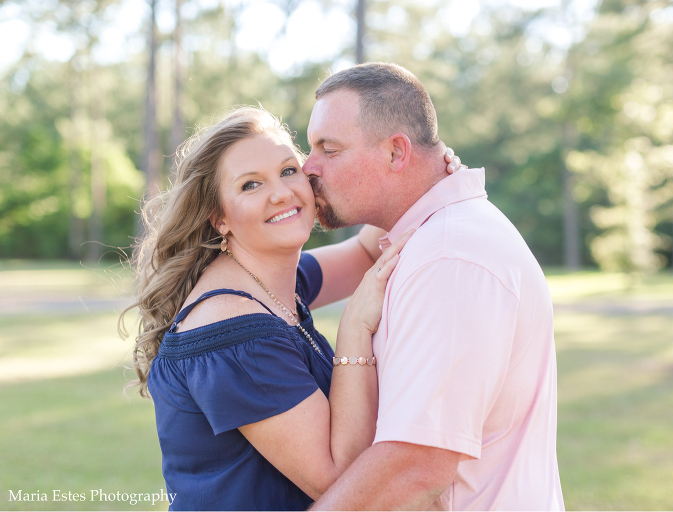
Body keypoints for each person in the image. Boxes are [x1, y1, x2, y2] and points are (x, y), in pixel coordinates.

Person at [119, 106, 463, 510]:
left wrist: (421, 177)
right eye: (250, 185)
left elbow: (369, 250)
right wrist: (354, 328)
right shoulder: (234, 327)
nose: (280, 193)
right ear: (219, 218)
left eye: (287, 171)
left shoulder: (275, 282)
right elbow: (343, 479)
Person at [304, 62, 564, 511]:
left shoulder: (450, 258)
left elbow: (415, 466)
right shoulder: (432, 235)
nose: (307, 167)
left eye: (329, 149)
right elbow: (302, 278)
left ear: (396, 153)